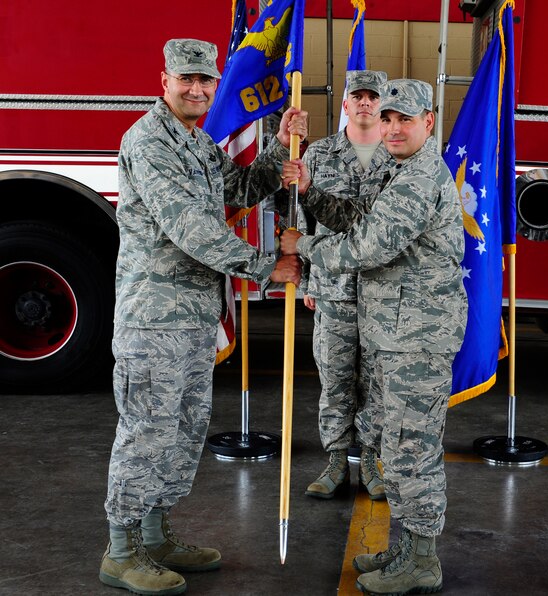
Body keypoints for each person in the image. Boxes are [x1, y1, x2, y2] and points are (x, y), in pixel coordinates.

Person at [100, 38, 305, 595]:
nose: (196, 89)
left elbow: (234, 190)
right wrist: (269, 266)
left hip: (192, 318)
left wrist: (279, 148)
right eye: (185, 79)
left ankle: (155, 534)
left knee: (183, 432)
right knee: (147, 433)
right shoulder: (149, 142)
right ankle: (121, 552)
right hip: (154, 320)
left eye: (205, 81)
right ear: (162, 79)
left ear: (215, 85)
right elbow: (191, 228)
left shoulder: (196, 141)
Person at [280, 79, 467, 595]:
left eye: (404, 119)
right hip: (393, 331)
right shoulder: (396, 168)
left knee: (412, 448)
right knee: (394, 441)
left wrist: (307, 246)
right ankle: (405, 548)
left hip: (417, 336)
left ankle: (422, 561)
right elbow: (358, 216)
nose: (391, 127)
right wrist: (310, 196)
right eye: (386, 118)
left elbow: (368, 244)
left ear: (429, 121)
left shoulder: (419, 177)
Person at [299, 70, 393, 501]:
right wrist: (306, 279)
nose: (366, 104)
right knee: (334, 377)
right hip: (333, 286)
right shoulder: (319, 154)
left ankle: (370, 460)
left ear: (384, 102)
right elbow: (302, 217)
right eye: (358, 95)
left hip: (382, 290)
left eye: (374, 97)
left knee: (375, 380)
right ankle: (336, 460)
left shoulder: (397, 155)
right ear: (346, 101)